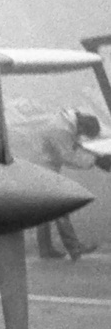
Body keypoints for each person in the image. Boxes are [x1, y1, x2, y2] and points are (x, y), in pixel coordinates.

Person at [35, 109, 111, 260]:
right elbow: (68, 156)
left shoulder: (73, 119)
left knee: (43, 210)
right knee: (60, 205)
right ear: (81, 128)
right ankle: (74, 248)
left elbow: (99, 135)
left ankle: (45, 249)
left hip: (45, 165)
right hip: (43, 167)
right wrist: (95, 160)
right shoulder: (60, 130)